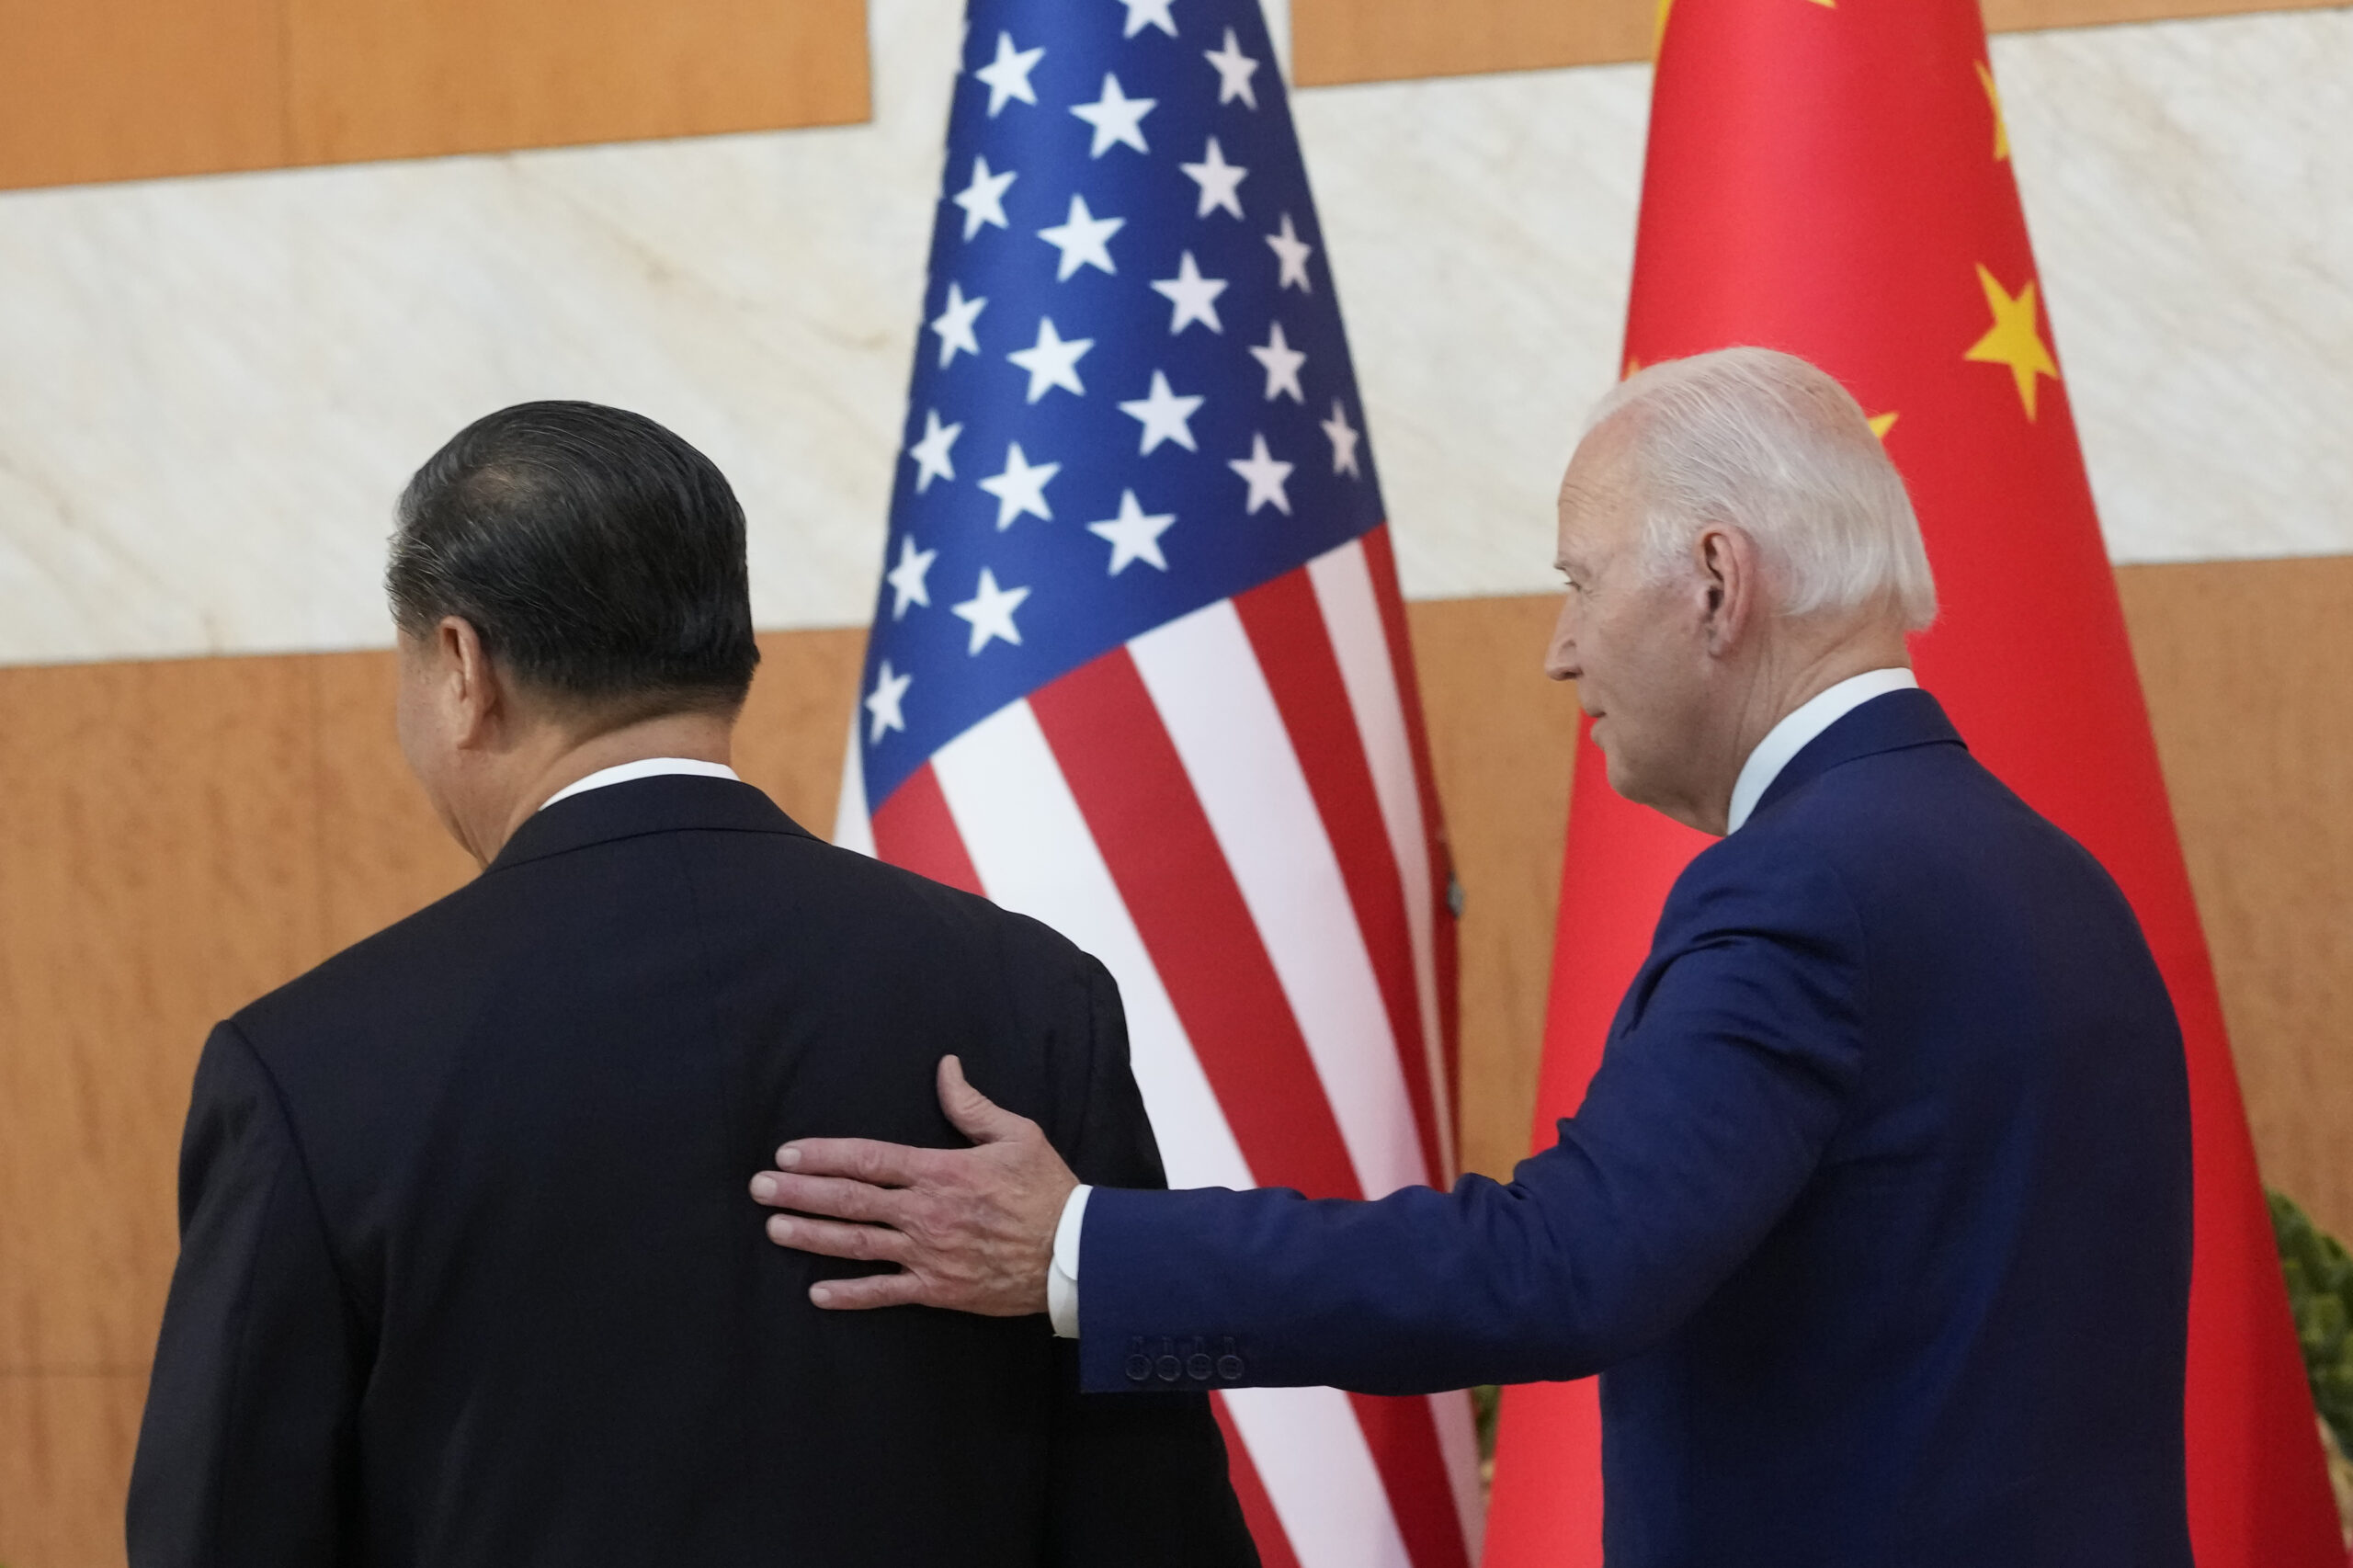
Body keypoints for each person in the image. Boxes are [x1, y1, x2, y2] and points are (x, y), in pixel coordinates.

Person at [750, 348, 2197, 1566]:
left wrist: (1075, 1249)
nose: (1562, 651)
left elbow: (1564, 1270)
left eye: (1578, 582)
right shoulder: (2058, 877)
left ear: (1713, 581)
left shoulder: (1808, 888)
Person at [128, 402, 1257, 1567]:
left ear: (462, 667)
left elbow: (222, 1534)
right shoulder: (1036, 995)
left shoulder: (311, 1064)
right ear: (729, 642)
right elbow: (1149, 1510)